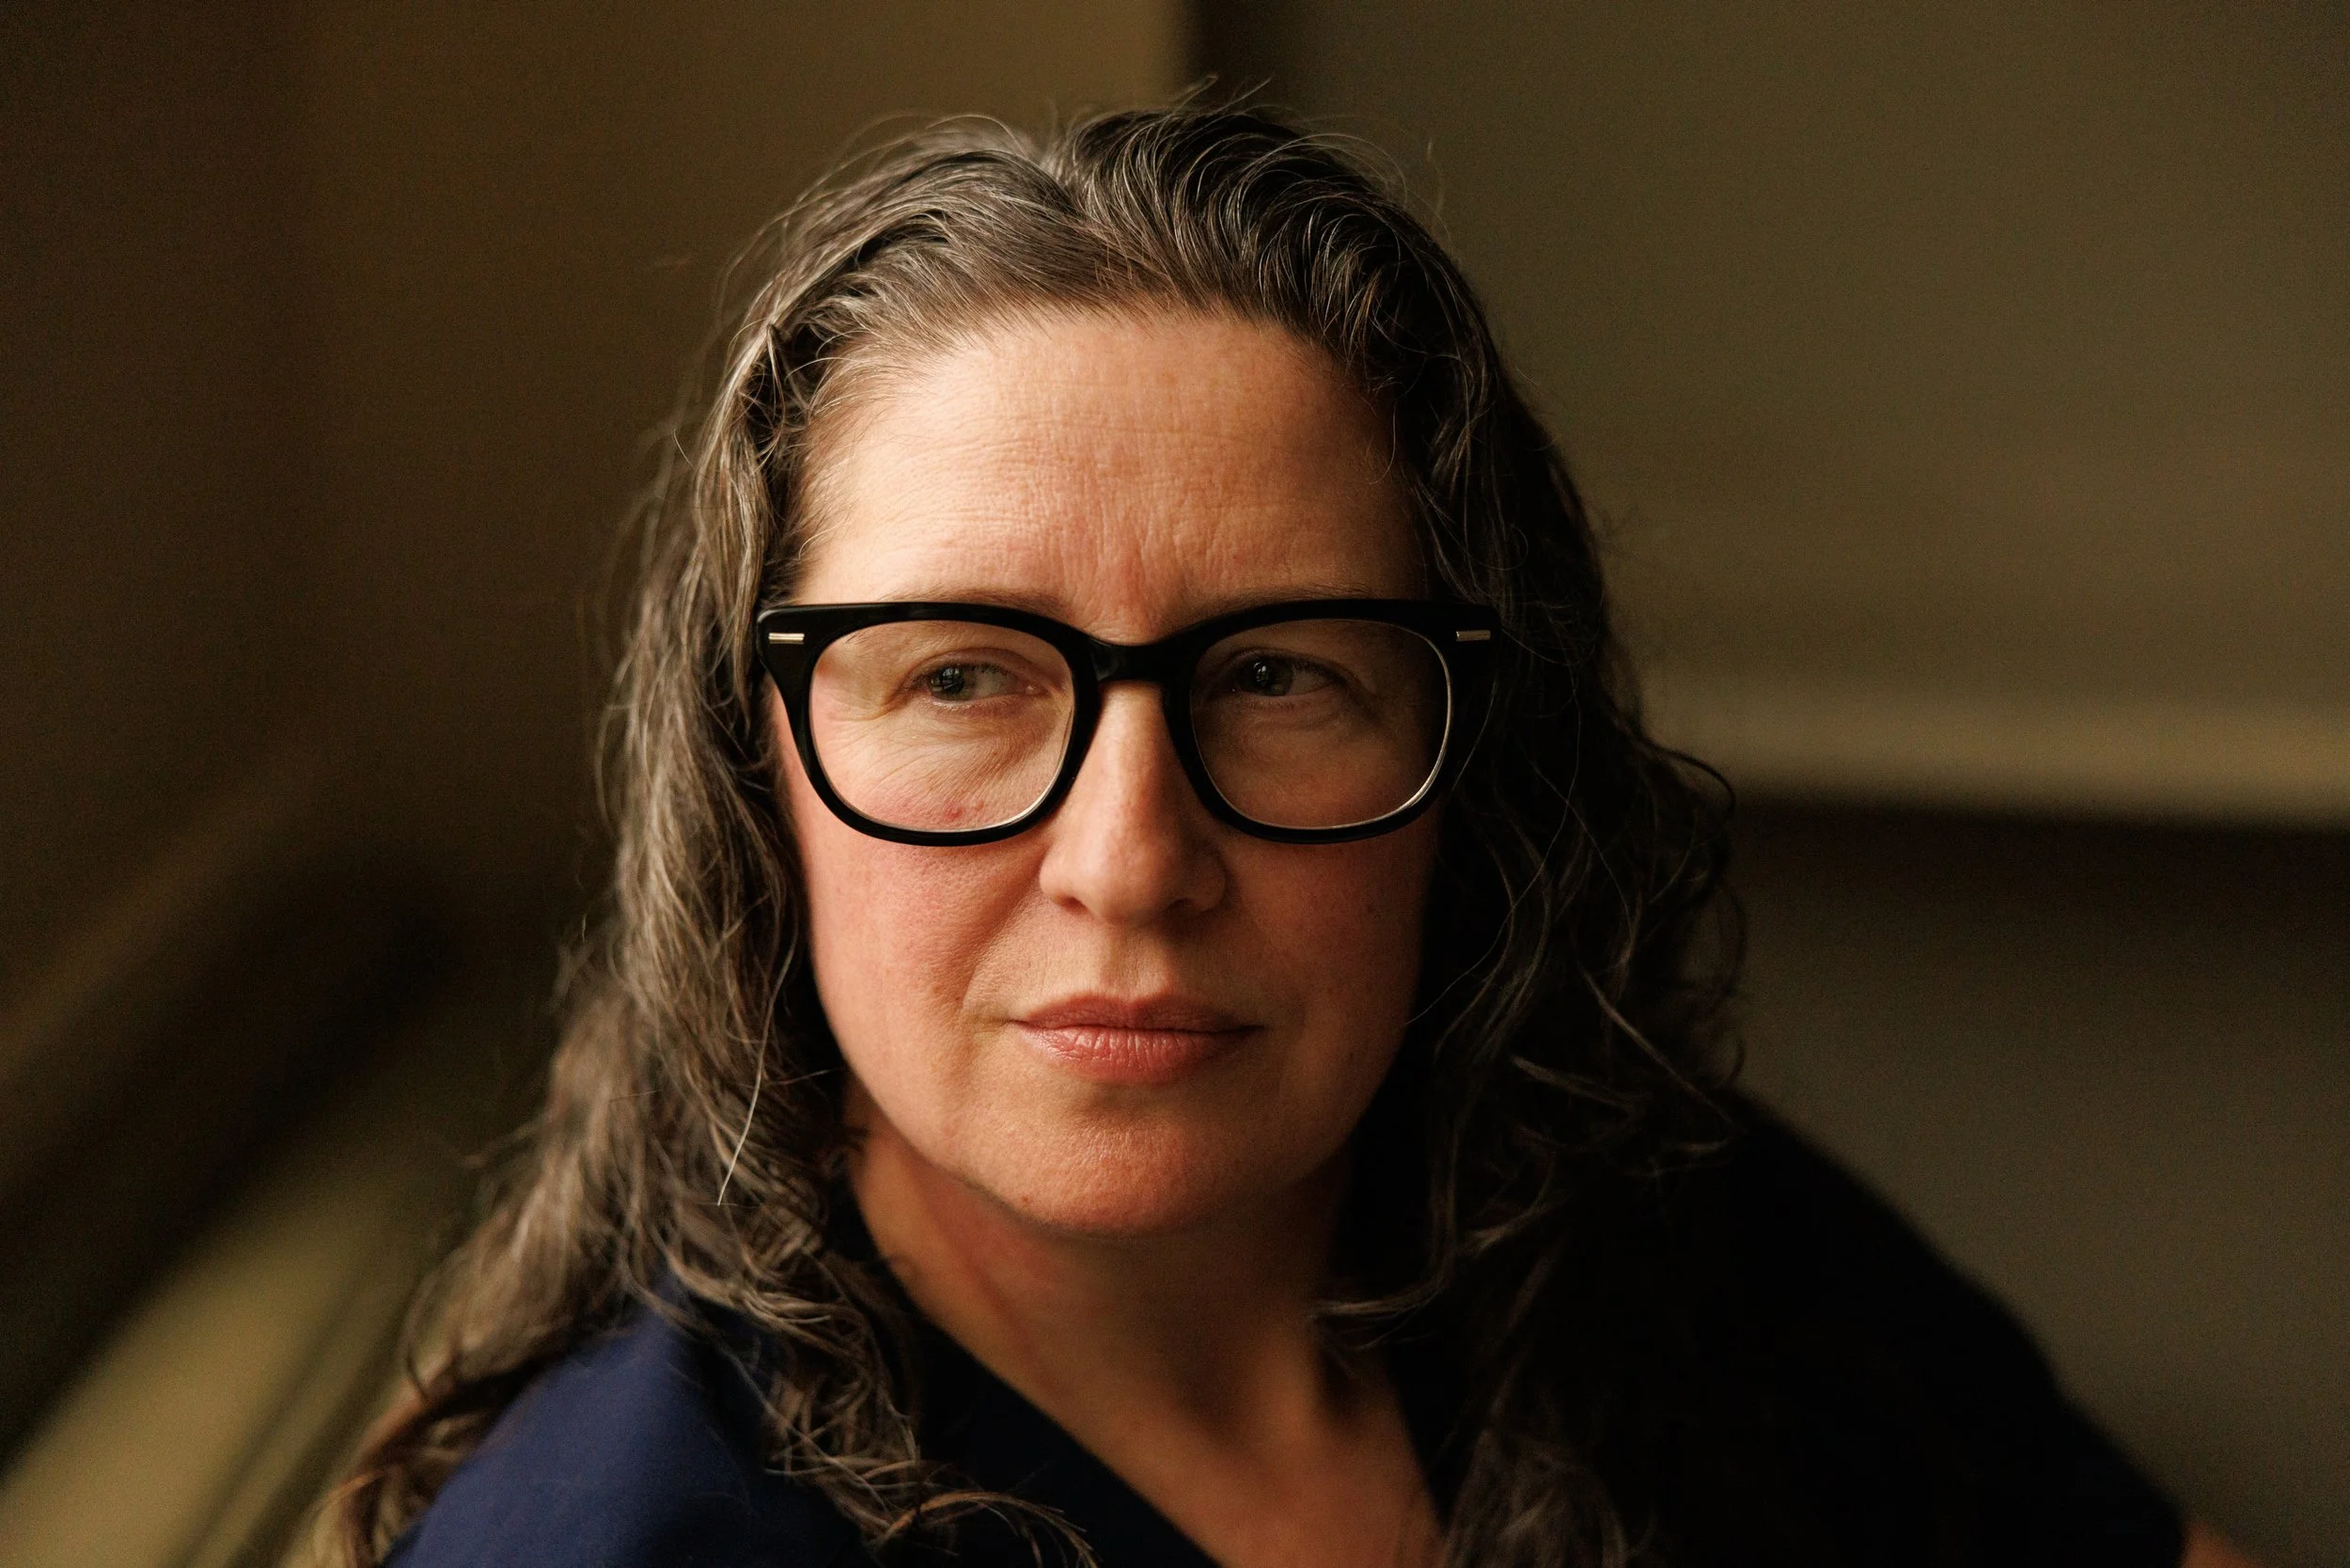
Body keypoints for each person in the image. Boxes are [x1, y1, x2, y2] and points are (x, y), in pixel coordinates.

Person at [331, 103, 2244, 1568]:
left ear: (1466, 760)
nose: (1130, 858)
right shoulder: (630, 1539)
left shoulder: (1646, 1225)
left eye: (1275, 679)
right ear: (757, 774)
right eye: (959, 679)